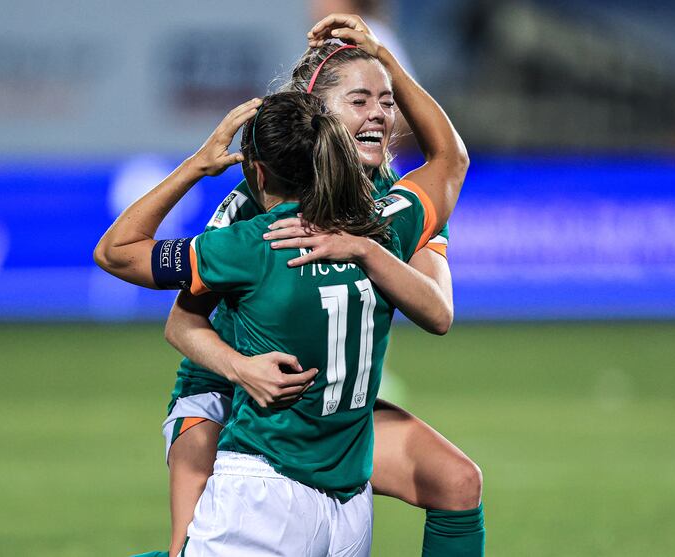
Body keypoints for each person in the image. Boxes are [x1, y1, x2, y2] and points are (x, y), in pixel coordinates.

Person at [157, 15, 483, 557]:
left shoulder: (397, 202)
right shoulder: (257, 204)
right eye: (359, 102)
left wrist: (364, 247)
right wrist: (240, 370)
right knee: (183, 550)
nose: (379, 114)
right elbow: (183, 323)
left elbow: (437, 309)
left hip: (333, 407)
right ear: (317, 115)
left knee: (456, 482)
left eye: (386, 101)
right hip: (228, 399)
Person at [94, 84, 463, 555]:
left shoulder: (250, 245)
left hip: (263, 488)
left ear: (258, 172)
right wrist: (383, 56)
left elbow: (116, 252)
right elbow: (450, 161)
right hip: (348, 503)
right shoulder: (385, 225)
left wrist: (198, 165)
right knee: (457, 480)